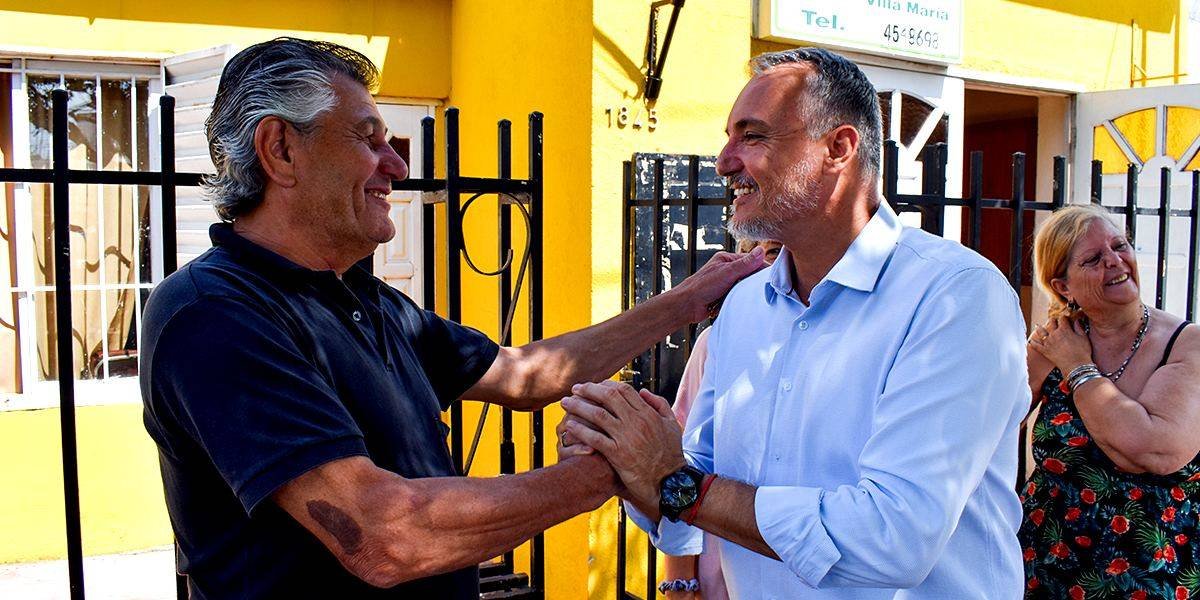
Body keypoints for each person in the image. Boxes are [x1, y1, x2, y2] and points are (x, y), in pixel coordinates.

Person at [139, 38, 764, 599]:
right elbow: (383, 534)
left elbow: (523, 376)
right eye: (367, 139)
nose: (396, 166)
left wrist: (687, 300)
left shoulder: (365, 300)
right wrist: (613, 470)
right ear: (280, 150)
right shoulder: (214, 315)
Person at [557, 47, 1030, 599]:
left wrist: (675, 481)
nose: (723, 161)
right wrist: (623, 449)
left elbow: (892, 538)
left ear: (838, 148)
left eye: (753, 136)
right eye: (729, 137)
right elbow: (695, 478)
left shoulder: (954, 295)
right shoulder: (744, 306)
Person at [1021, 204, 1200, 599]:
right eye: (1093, 259)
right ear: (1063, 286)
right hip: (1046, 566)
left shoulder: (1185, 344)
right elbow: (989, 422)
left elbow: (1152, 449)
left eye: (1120, 246)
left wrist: (1078, 367)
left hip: (1153, 575)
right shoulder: (1055, 342)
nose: (1115, 261)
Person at [661, 239, 781, 600]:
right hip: (722, 566)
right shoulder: (717, 343)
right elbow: (685, 462)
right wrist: (679, 581)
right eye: (772, 252)